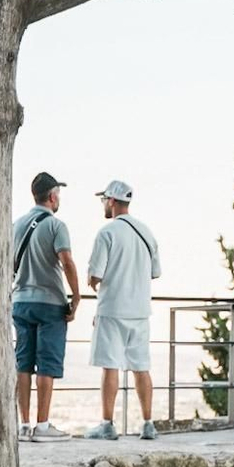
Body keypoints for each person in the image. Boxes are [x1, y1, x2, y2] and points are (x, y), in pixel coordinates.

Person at [84, 180, 162, 440]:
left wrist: (94, 281)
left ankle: (107, 424)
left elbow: (94, 276)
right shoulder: (147, 232)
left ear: (112, 201)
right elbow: (155, 273)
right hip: (140, 310)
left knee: (110, 367)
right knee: (141, 367)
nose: (103, 205)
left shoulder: (106, 233)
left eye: (104, 200)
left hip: (113, 309)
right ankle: (148, 423)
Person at [13, 172, 80, 442]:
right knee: (47, 364)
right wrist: (75, 297)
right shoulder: (56, 226)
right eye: (58, 194)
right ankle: (42, 425)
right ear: (52, 196)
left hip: (20, 301)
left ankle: (24, 424)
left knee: (23, 363)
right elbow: (67, 261)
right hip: (50, 302)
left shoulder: (16, 225)